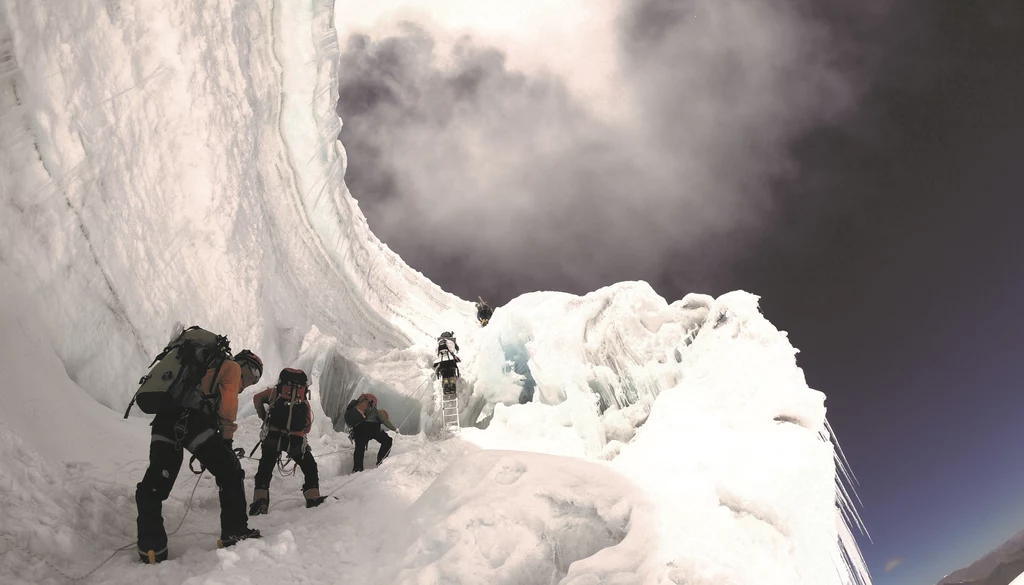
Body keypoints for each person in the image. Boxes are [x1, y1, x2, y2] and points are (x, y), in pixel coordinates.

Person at [136, 349, 264, 564]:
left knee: (158, 478)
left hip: (164, 420)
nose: (250, 382)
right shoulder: (230, 368)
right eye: (253, 376)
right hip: (192, 422)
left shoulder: (205, 369)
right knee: (230, 471)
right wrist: (226, 441)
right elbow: (228, 407)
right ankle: (235, 531)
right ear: (246, 367)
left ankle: (151, 547)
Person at [249, 368, 325, 515]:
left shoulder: (274, 393)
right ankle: (312, 496)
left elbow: (257, 398)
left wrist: (264, 416)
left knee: (265, 467)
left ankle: (260, 501)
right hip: (295, 440)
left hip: (273, 437)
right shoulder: (302, 399)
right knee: (309, 465)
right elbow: (307, 427)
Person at [344, 393, 397, 472]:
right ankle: (381, 461)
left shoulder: (358, 407)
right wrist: (394, 429)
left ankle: (357, 468)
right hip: (373, 428)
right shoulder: (377, 411)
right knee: (387, 440)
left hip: (359, 429)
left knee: (359, 447)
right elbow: (385, 420)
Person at [433, 331, 460, 396]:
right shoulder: (451, 342)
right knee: (451, 373)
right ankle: (452, 386)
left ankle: (446, 386)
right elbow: (457, 348)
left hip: (442, 362)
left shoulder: (438, 343)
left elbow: (437, 352)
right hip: (451, 361)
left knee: (445, 374)